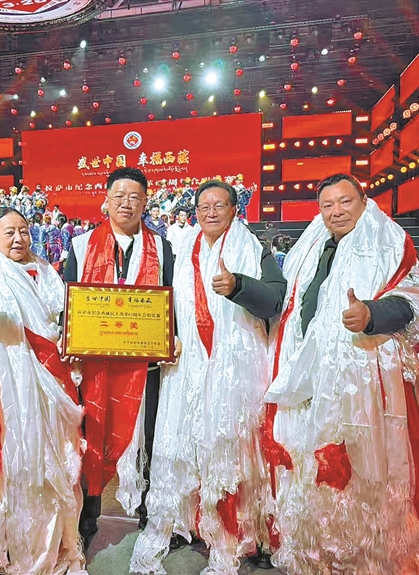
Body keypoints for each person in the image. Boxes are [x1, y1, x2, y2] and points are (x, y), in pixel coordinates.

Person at [263, 174, 419, 575]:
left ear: (363, 201)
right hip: (304, 377)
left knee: (360, 475)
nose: (336, 211)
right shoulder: (311, 247)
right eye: (327, 205)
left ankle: (366, 560)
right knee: (310, 470)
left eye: (345, 202)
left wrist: (371, 314)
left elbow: (416, 304)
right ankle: (315, 555)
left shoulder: (389, 243)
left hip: (359, 385)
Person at [131, 180, 286, 575]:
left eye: (219, 205)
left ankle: (242, 534)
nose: (211, 212)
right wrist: (167, 337)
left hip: (237, 371)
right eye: (204, 206)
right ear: (195, 212)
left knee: (233, 448)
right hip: (187, 367)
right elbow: (163, 303)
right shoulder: (182, 250)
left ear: (235, 210)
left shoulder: (254, 249)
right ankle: (191, 522)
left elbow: (274, 299)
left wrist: (238, 286)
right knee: (187, 445)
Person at [0, 207, 85, 575]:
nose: (19, 238)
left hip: (44, 386)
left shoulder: (45, 271)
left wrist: (69, 340)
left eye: (23, 230)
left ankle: (45, 547)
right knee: (6, 468)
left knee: (44, 462)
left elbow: (63, 319)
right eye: (9, 232)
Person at [64, 167, 175, 547]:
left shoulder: (161, 248)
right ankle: (88, 514)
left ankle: (148, 510)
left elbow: (170, 297)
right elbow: (70, 299)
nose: (127, 204)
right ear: (106, 200)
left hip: (146, 362)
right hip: (95, 362)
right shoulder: (81, 245)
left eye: (135, 197)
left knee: (147, 435)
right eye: (119, 196)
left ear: (145, 202)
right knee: (91, 434)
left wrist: (170, 338)